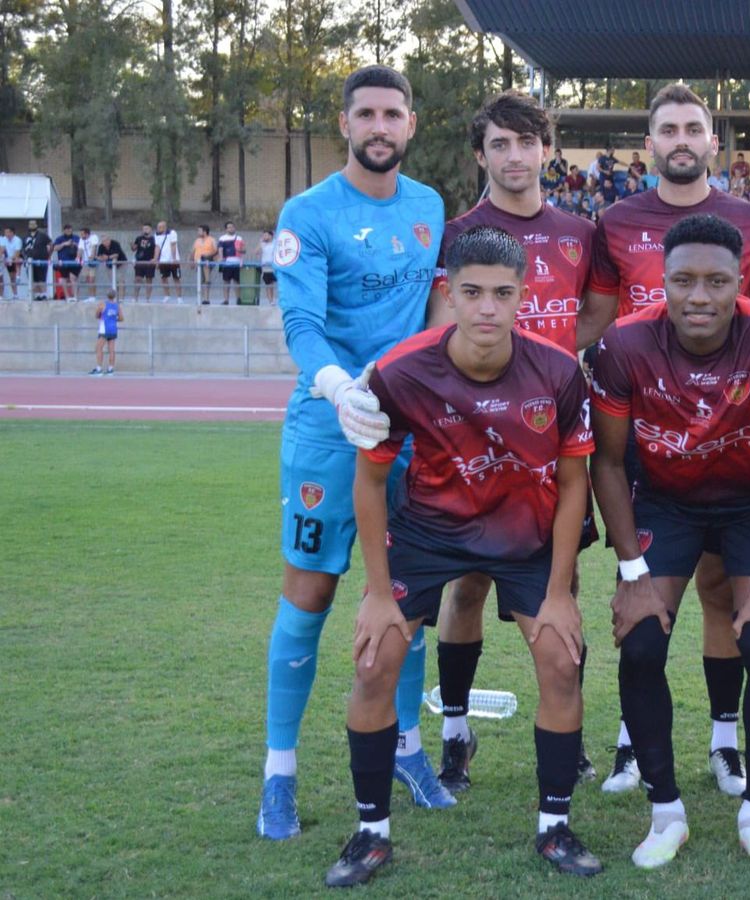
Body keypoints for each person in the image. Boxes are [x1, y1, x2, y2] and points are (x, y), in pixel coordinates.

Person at [324, 227, 599, 887]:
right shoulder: (403, 370)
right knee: (373, 663)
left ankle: (554, 826)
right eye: (471, 292)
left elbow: (573, 484)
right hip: (430, 530)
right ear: (448, 293)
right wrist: (377, 591)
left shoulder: (558, 372)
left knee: (563, 661)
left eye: (502, 294)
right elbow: (368, 481)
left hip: (524, 530)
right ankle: (371, 833)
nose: (486, 309)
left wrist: (560, 592)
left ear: (521, 297)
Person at [255, 65, 449, 842]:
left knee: (406, 600)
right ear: (344, 124)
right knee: (309, 597)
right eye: (365, 113)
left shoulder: (430, 206)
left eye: (391, 114)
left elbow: (436, 305)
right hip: (328, 433)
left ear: (410, 124)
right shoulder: (307, 213)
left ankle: (406, 748)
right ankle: (279, 772)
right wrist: (342, 389)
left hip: (410, 438)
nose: (379, 126)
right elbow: (301, 325)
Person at [589, 214, 750, 872]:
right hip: (666, 501)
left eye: (717, 281)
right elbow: (605, 463)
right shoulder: (625, 344)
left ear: (739, 280)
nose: (699, 296)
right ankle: (666, 812)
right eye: (683, 280)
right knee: (642, 641)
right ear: (661, 281)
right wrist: (632, 574)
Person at [575, 83, 750, 798]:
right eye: (669, 129)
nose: (682, 138)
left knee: (724, 592)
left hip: (733, 429)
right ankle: (634, 744)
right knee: (645, 595)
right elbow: (598, 315)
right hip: (646, 427)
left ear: (712, 141)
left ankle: (726, 743)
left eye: (694, 127)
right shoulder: (617, 219)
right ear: (650, 142)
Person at [421, 90, 598, 795]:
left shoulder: (580, 232)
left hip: (551, 446)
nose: (516, 156)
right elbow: (439, 330)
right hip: (470, 444)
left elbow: (593, 316)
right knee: (464, 588)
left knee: (564, 585)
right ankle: (456, 733)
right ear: (481, 154)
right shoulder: (457, 229)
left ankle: (568, 736)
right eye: (501, 144)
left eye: (528, 143)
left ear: (546, 151)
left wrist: (543, 373)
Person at [89, 289, 123, 375]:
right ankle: (110, 369)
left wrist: (101, 314)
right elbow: (121, 318)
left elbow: (97, 315)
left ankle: (99, 368)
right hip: (113, 329)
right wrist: (113, 319)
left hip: (104, 329)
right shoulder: (117, 306)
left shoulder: (102, 304)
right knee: (111, 350)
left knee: (98, 348)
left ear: (107, 296)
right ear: (114, 296)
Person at [217, 222, 244, 305]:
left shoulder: (239, 238)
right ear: (226, 229)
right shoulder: (222, 238)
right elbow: (220, 249)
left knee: (237, 282)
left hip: (237, 262)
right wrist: (221, 259)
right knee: (226, 281)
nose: (231, 229)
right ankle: (226, 299)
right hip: (227, 263)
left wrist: (241, 260)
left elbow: (243, 250)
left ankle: (238, 299)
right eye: (229, 227)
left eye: (232, 227)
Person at [154, 220, 181, 301]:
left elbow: (173, 245)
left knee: (176, 278)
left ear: (164, 227)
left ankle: (179, 297)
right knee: (164, 278)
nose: (158, 228)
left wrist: (174, 258)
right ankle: (167, 296)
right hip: (163, 260)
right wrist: (155, 259)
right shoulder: (156, 234)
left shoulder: (172, 233)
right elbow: (157, 247)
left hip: (173, 260)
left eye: (160, 227)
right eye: (158, 227)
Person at [52, 226, 80, 300]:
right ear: (64, 230)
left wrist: (74, 244)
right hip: (63, 262)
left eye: (70, 229)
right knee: (63, 279)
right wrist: (64, 244)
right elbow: (54, 248)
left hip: (74, 262)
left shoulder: (76, 237)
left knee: (73, 278)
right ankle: (67, 297)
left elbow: (81, 247)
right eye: (67, 230)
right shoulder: (59, 238)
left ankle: (75, 296)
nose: (68, 231)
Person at [192, 225, 219, 304]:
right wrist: (191, 261)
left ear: (204, 232)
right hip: (198, 262)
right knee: (201, 280)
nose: (198, 232)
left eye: (199, 231)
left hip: (207, 261)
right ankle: (201, 298)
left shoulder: (212, 240)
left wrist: (208, 255)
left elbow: (216, 250)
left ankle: (206, 298)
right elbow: (193, 251)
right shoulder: (197, 240)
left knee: (205, 279)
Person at [131, 224, 157, 301]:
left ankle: (148, 298)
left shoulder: (154, 239)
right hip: (139, 261)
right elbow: (134, 249)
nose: (145, 230)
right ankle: (135, 297)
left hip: (150, 261)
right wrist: (132, 246)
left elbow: (157, 249)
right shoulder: (139, 238)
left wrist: (155, 260)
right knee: (137, 279)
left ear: (150, 229)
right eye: (144, 229)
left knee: (149, 280)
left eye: (147, 228)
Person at [258, 230, 278, 305]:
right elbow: (256, 252)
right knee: (268, 284)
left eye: (266, 235)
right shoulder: (263, 244)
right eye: (263, 235)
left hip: (274, 267)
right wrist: (260, 243)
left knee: (275, 283)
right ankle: (270, 301)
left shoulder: (276, 243)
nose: (264, 237)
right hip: (265, 267)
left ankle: (278, 299)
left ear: (271, 236)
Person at [0, 225, 19, 299]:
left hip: (2, 261)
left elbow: (2, 250)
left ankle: (1, 296)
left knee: (2, 278)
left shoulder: (2, 239)